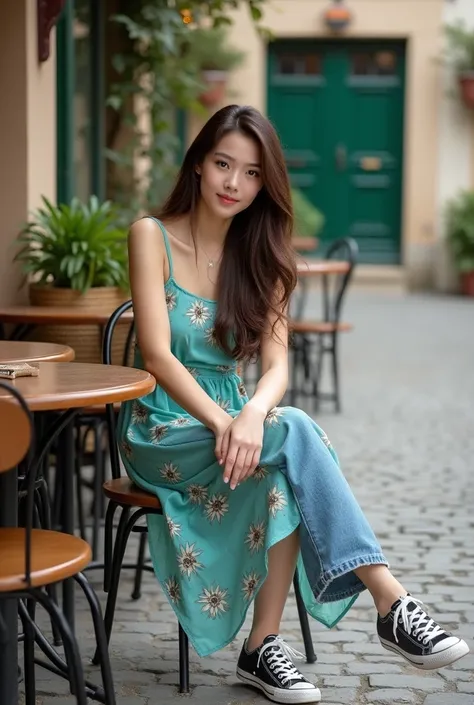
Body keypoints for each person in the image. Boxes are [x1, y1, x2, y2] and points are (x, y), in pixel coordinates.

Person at [117, 104, 469, 704]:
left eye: (252, 173)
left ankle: (262, 647)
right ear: (199, 163)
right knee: (295, 433)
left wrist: (250, 415)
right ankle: (390, 601)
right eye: (224, 164)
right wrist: (227, 421)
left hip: (244, 424)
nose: (234, 183)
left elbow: (276, 368)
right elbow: (157, 354)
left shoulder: (265, 258)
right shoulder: (152, 236)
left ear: (265, 184)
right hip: (164, 426)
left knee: (281, 471)